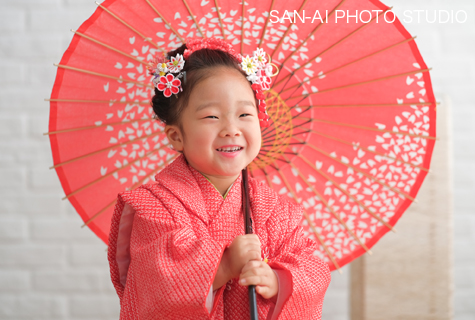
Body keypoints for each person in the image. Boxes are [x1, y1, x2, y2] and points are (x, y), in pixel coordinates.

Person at [107, 38, 331, 320]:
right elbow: (154, 288)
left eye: (244, 114)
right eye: (212, 116)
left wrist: (277, 281)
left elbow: (311, 268)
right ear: (177, 136)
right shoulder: (154, 207)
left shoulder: (277, 211)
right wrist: (223, 266)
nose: (231, 129)